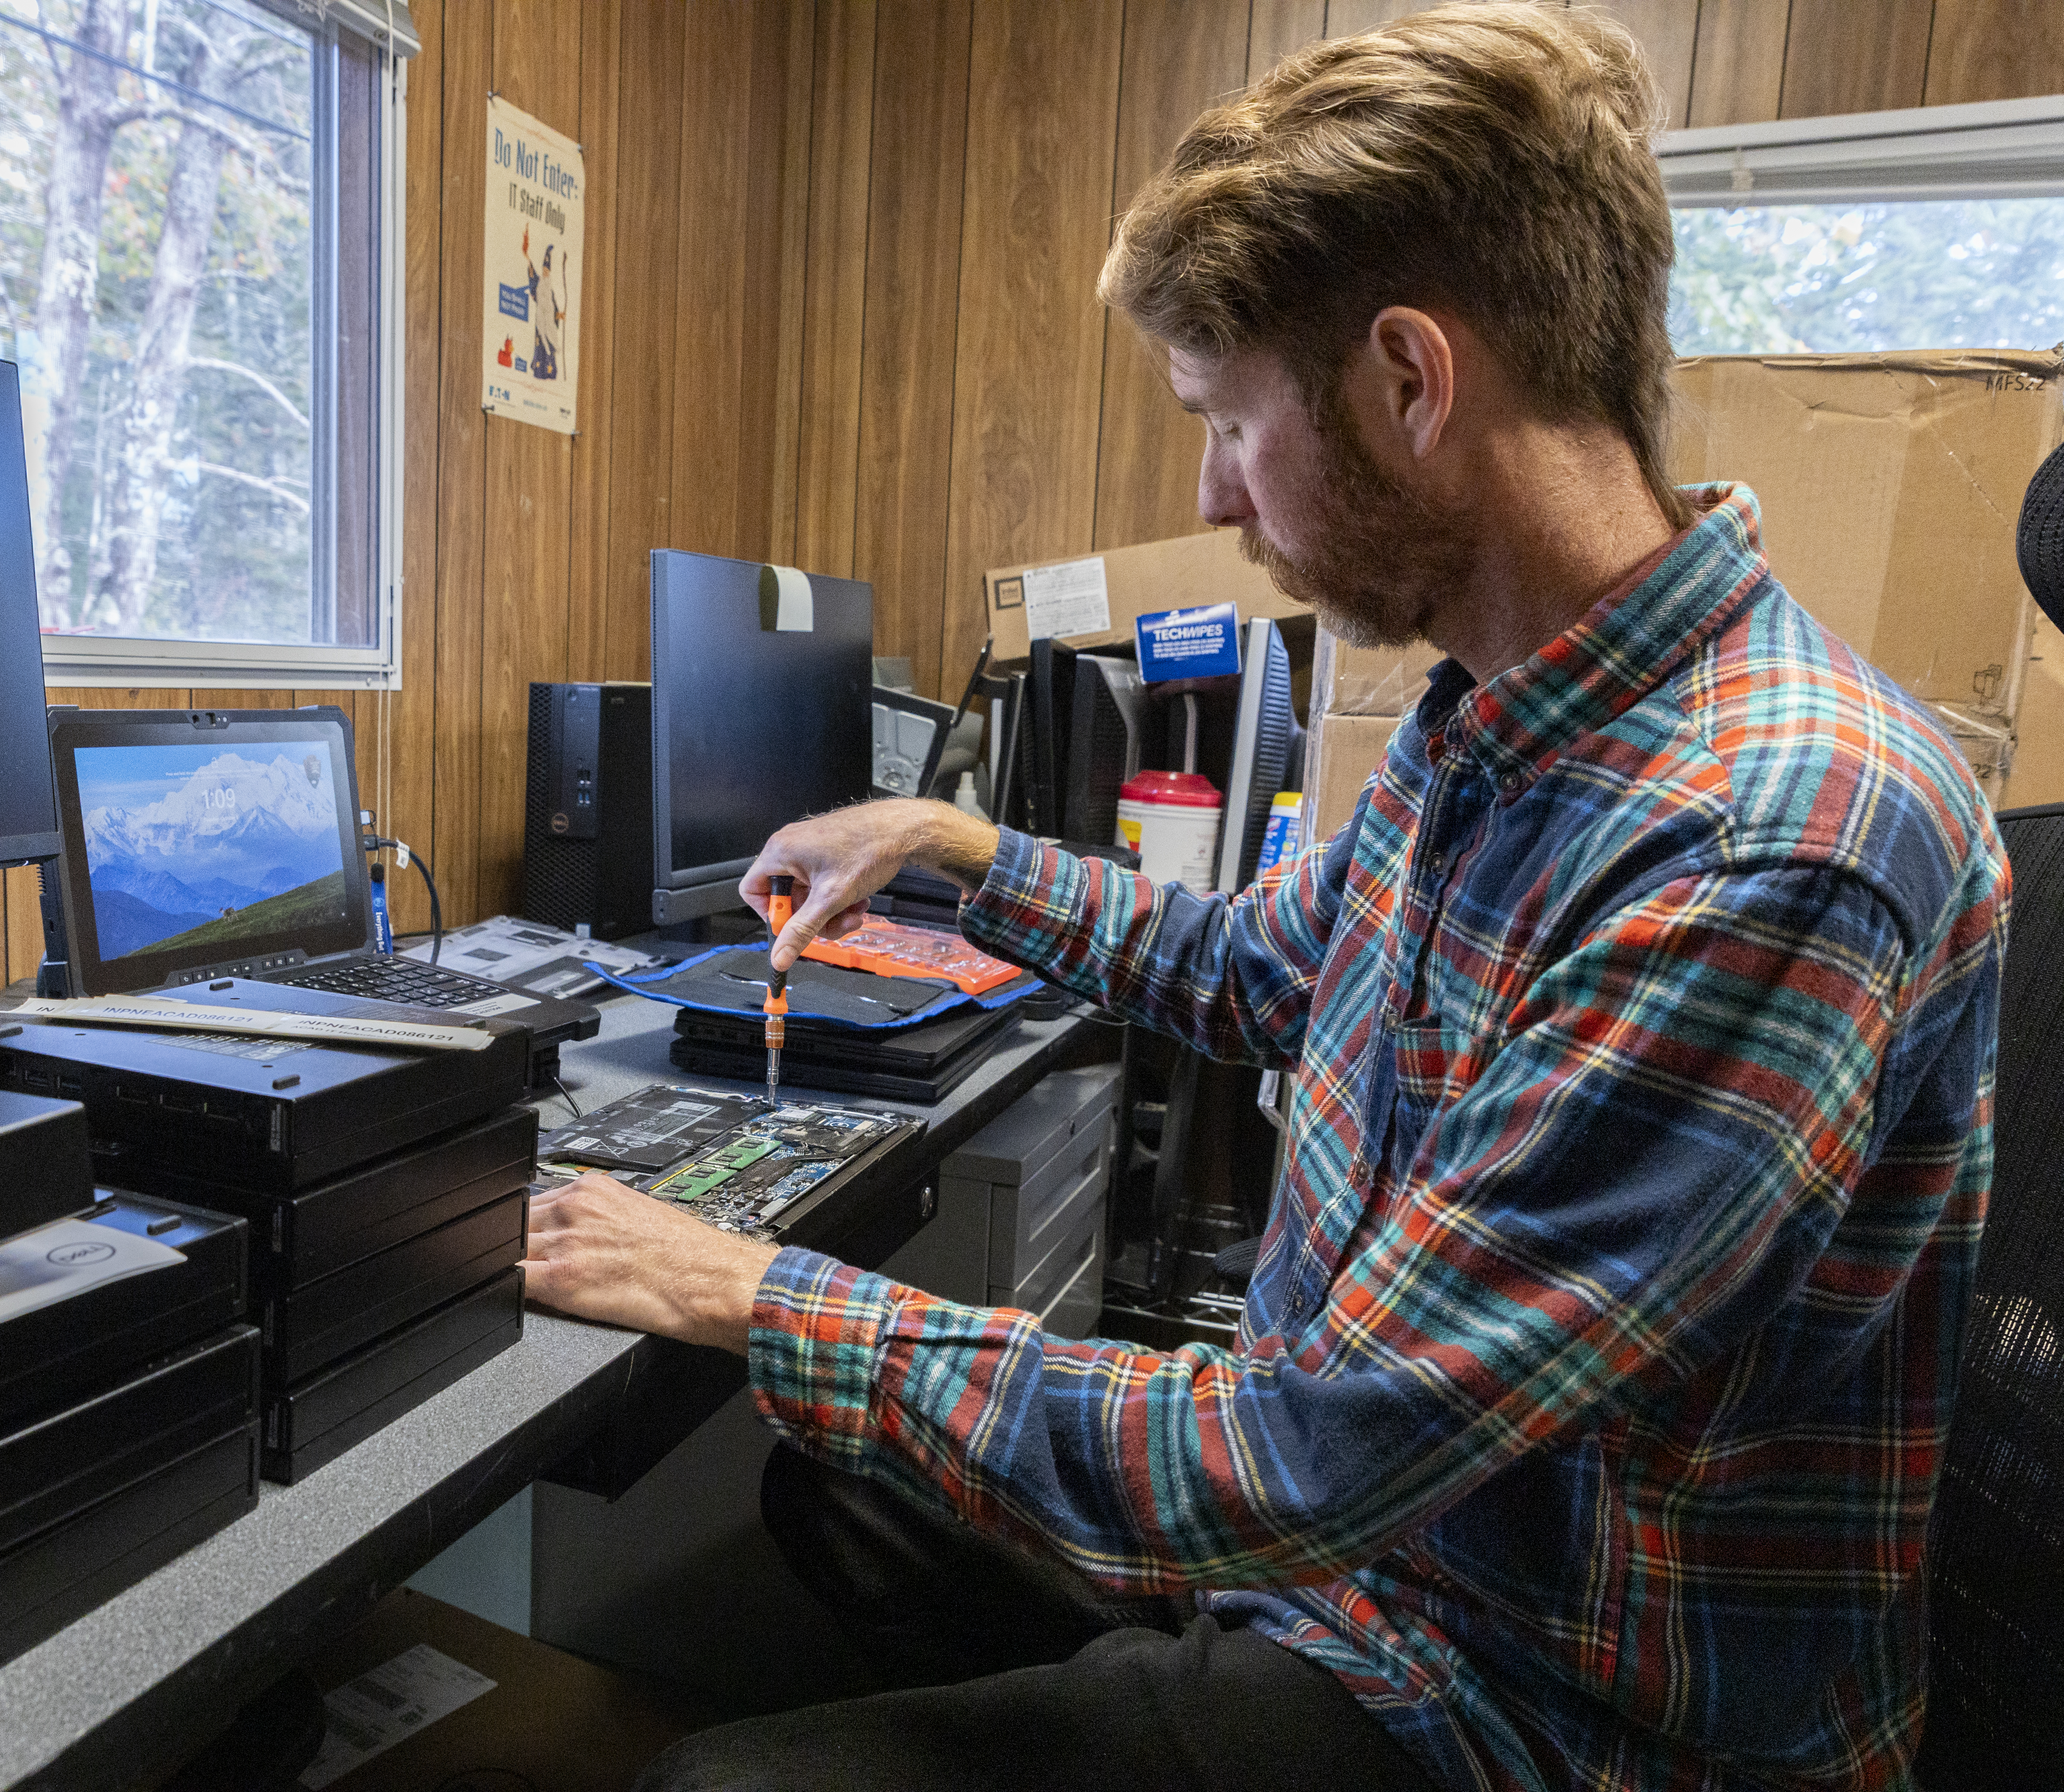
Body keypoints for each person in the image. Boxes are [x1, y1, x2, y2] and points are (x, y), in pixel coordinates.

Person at [521, 6, 2010, 1791]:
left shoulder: (1763, 848)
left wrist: (762, 1290)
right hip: (1376, 1570)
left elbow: (1307, 1459)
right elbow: (1255, 969)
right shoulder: (1505, 714)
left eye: (1228, 418)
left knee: (715, 1780)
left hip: (1540, 1713)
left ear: (1412, 382)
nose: (1213, 493)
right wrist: (949, 847)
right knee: (839, 1491)